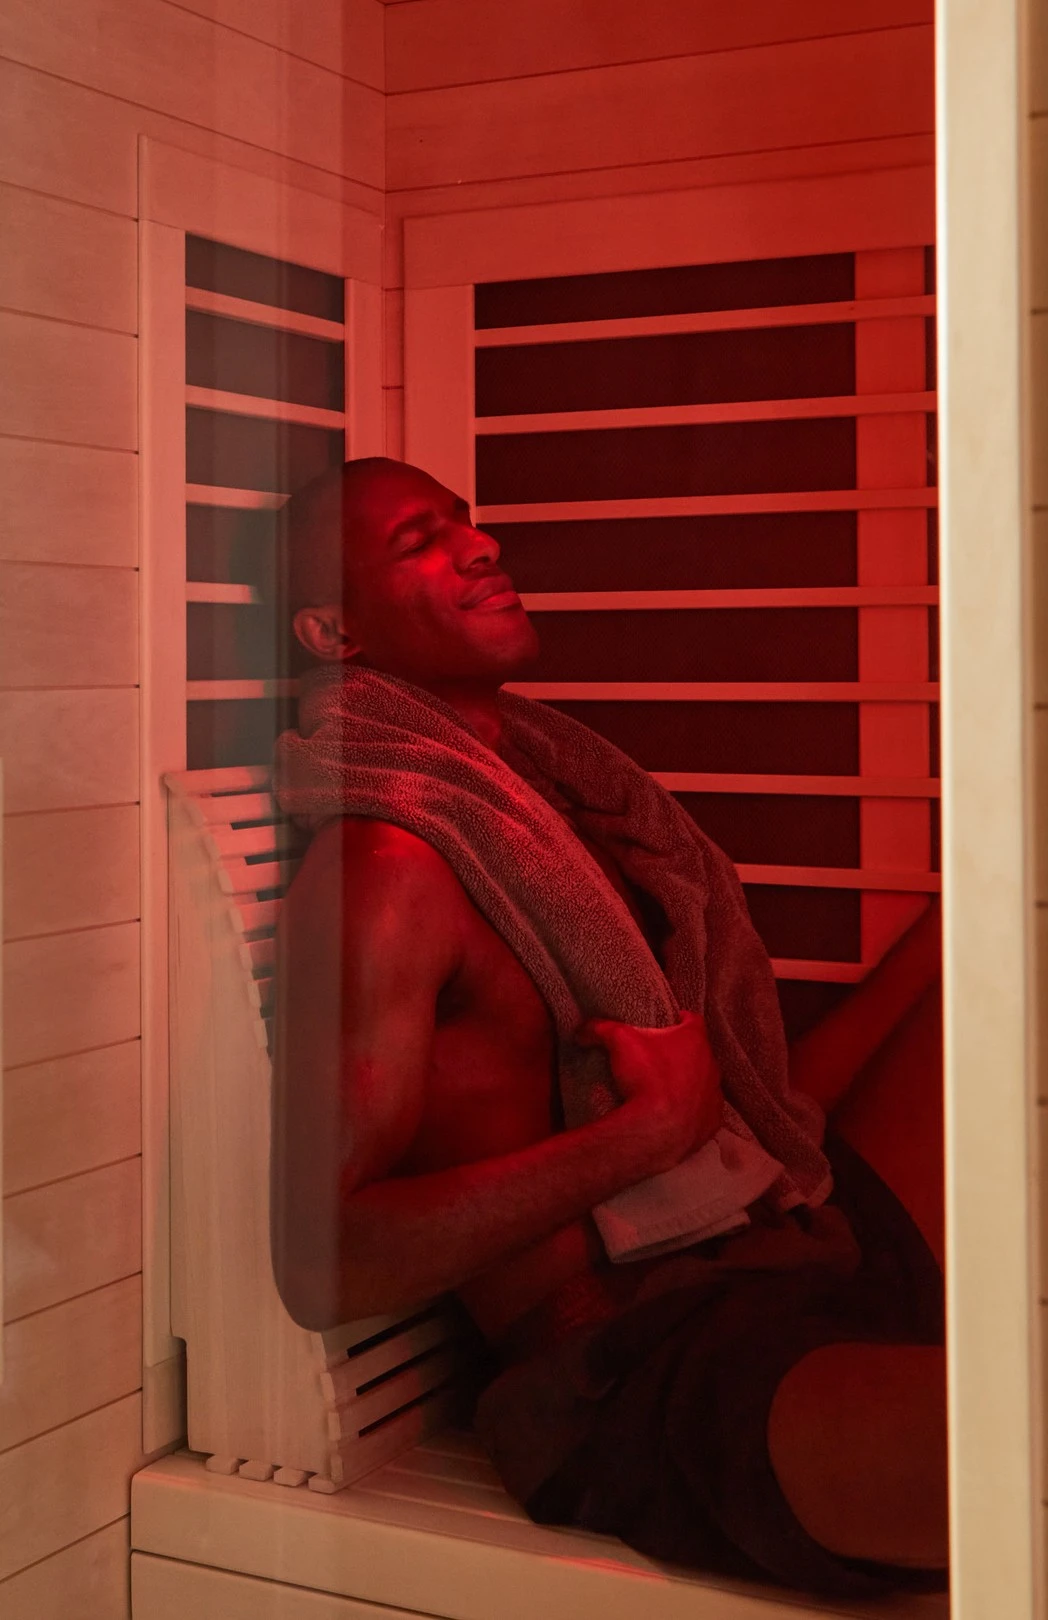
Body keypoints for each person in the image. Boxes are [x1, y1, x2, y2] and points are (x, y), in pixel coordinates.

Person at [269, 457, 947, 1599]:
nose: (480, 545)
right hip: (643, 1364)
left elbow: (754, 1104)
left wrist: (959, 923)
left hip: (792, 1239)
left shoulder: (548, 806)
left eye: (467, 522)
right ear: (335, 631)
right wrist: (644, 1136)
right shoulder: (388, 868)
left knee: (1003, 959)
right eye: (419, 543)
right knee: (1035, 1463)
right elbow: (324, 1265)